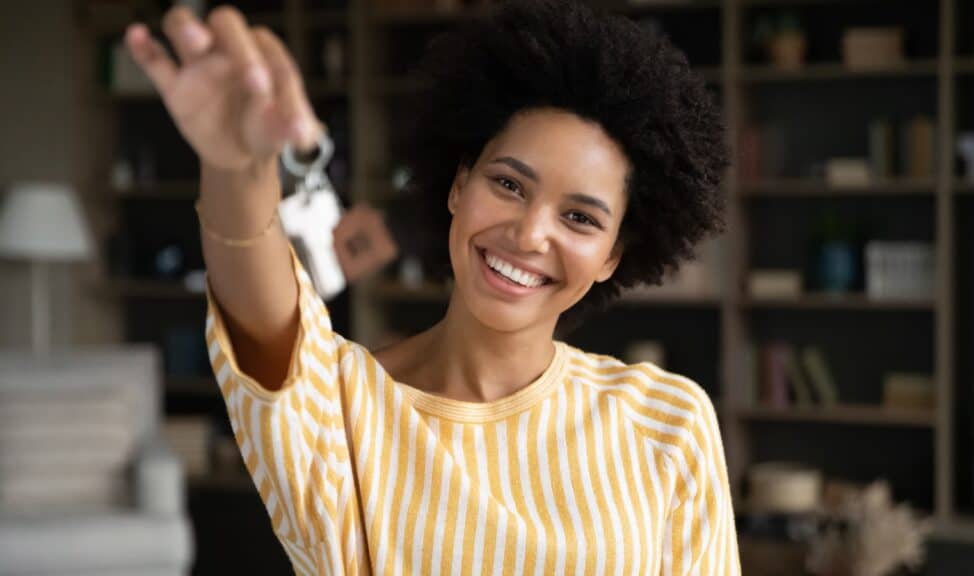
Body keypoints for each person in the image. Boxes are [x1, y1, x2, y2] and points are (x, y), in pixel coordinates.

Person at [126, 0, 740, 573]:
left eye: (579, 218)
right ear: (457, 186)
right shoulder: (342, 407)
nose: (529, 235)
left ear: (612, 256)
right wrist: (238, 168)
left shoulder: (667, 422)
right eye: (508, 185)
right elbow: (260, 317)